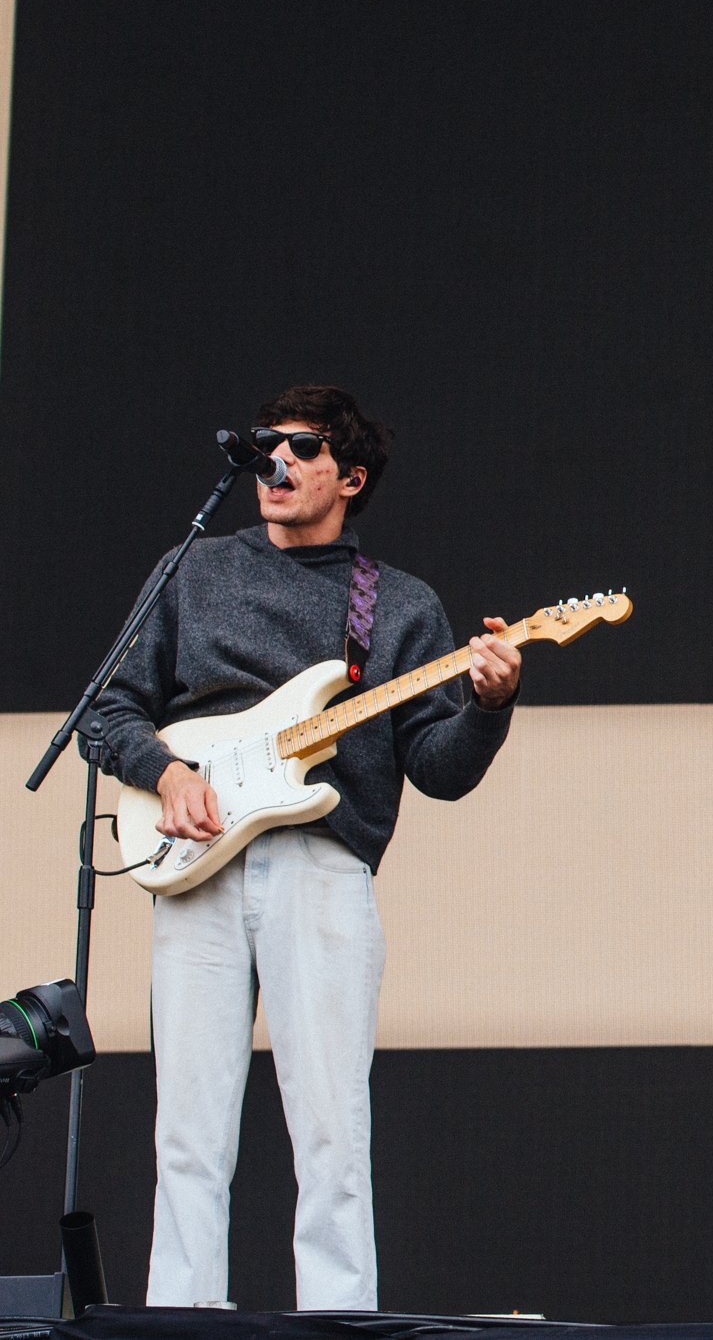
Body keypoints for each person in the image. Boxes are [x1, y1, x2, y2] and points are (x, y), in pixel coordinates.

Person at [81, 386, 521, 1310]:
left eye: (303, 446)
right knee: (187, 1133)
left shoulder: (397, 606)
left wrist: (489, 705)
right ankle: (181, 1325)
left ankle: (338, 1323)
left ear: (349, 478)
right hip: (194, 869)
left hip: (320, 869)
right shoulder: (193, 570)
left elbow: (439, 770)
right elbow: (109, 708)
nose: (275, 459)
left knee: (330, 1132)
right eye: (267, 442)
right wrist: (166, 773)